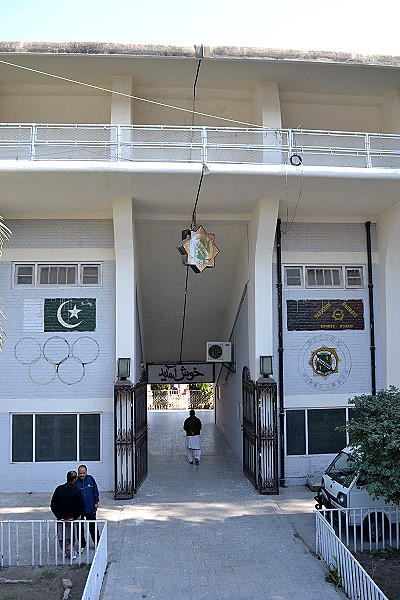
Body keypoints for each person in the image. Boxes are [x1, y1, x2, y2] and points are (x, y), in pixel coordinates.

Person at [50, 470, 85, 559]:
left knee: (63, 538)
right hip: (72, 520)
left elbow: (53, 505)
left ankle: (67, 552)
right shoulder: (76, 491)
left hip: (61, 520)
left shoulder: (59, 489)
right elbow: (81, 507)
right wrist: (73, 518)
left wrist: (60, 517)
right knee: (71, 538)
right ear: (75, 479)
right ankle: (70, 552)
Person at [75, 464, 99, 549]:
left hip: (90, 508)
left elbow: (95, 490)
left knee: (93, 526)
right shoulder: (75, 481)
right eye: (80, 473)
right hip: (79, 510)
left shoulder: (91, 479)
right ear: (78, 473)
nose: (82, 475)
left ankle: (97, 543)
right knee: (79, 528)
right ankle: (82, 545)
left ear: (86, 472)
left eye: (83, 473)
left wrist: (96, 502)